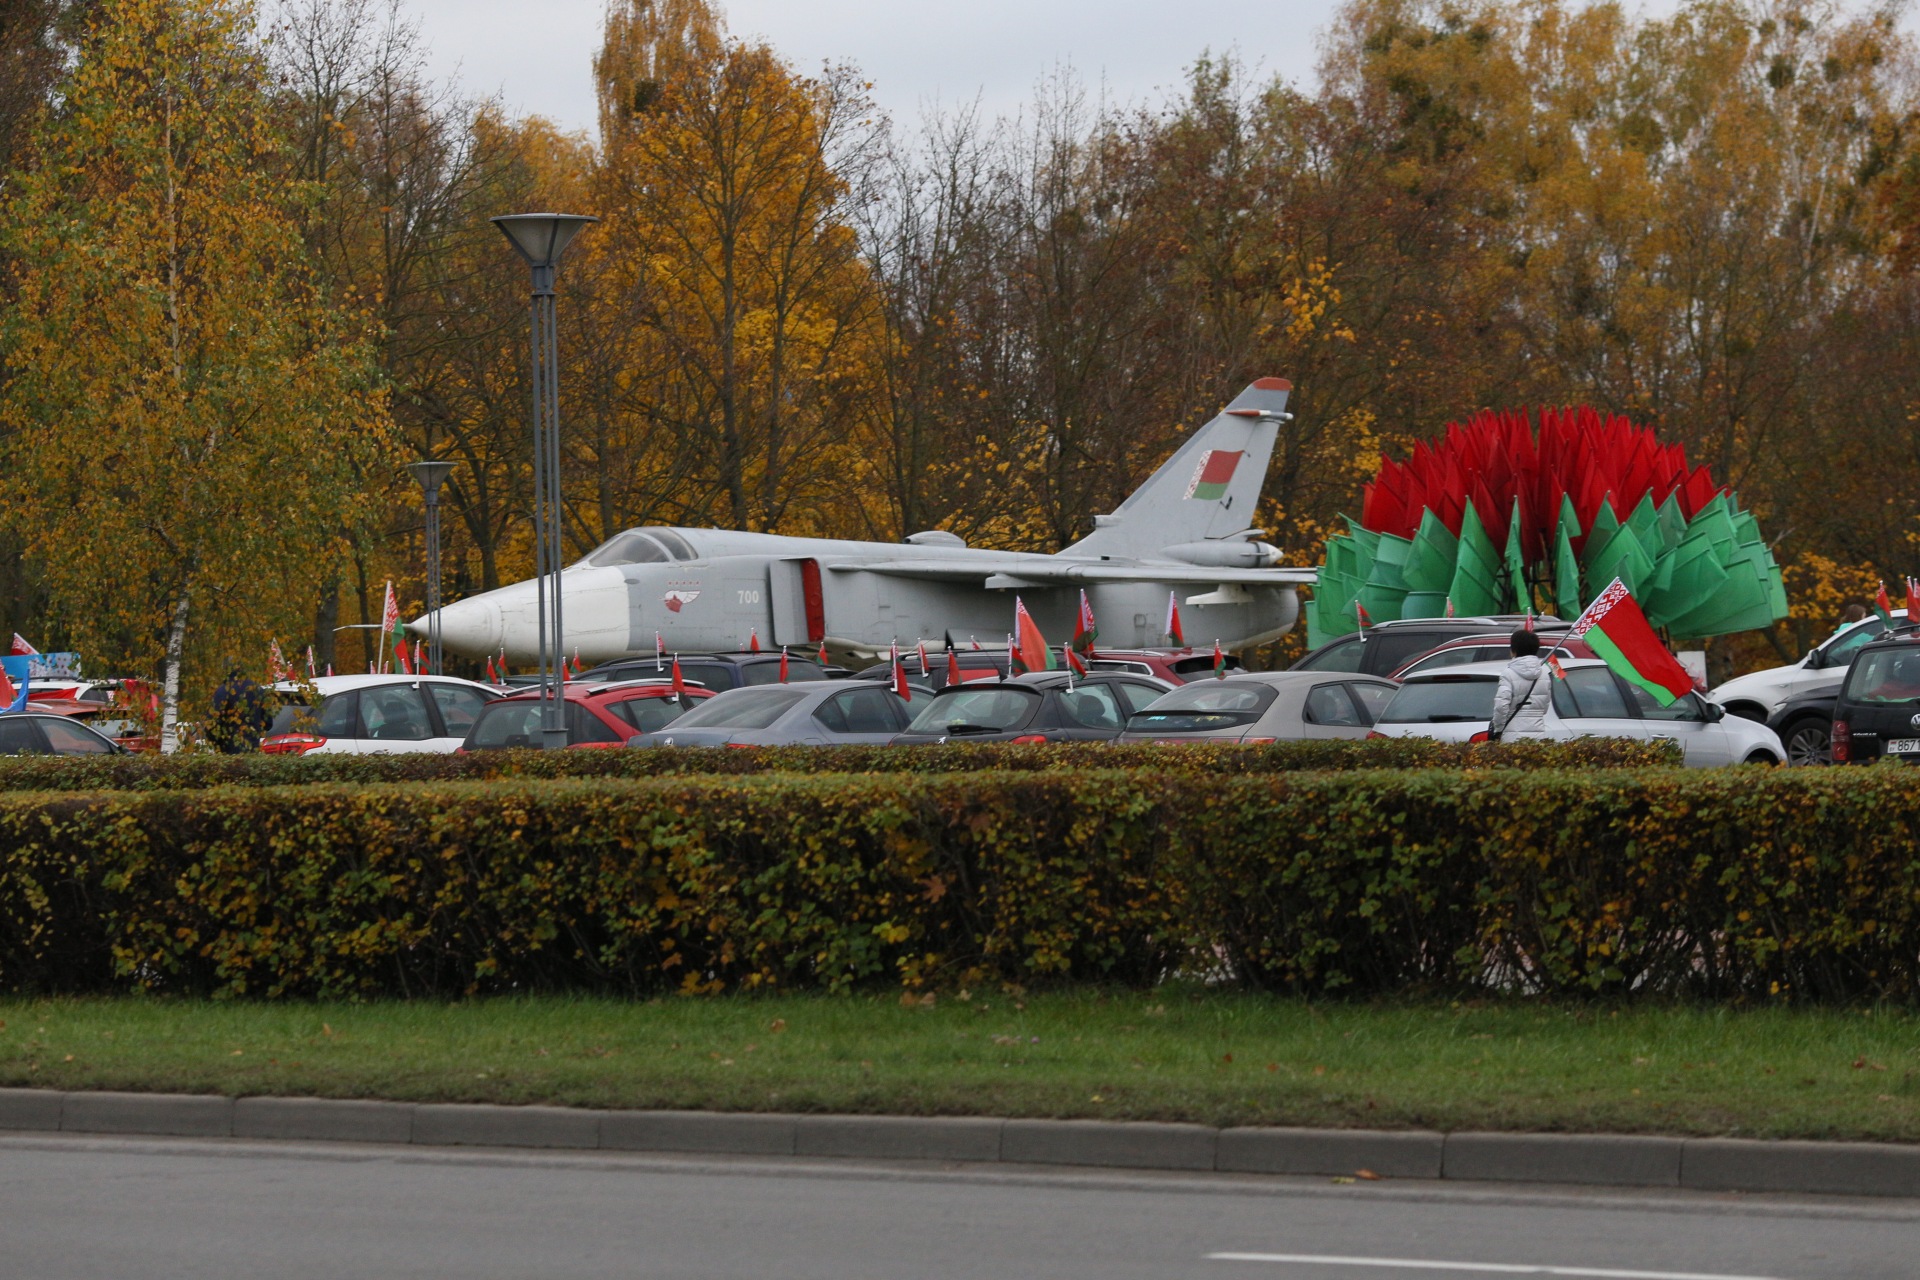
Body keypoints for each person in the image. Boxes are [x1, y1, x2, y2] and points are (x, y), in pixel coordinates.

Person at [1487, 629, 1552, 742]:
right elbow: (1545, 708)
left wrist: (1498, 729)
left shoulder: (1508, 673)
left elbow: (1501, 706)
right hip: (1538, 735)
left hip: (1512, 736)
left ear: (1514, 650)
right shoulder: (1545, 673)